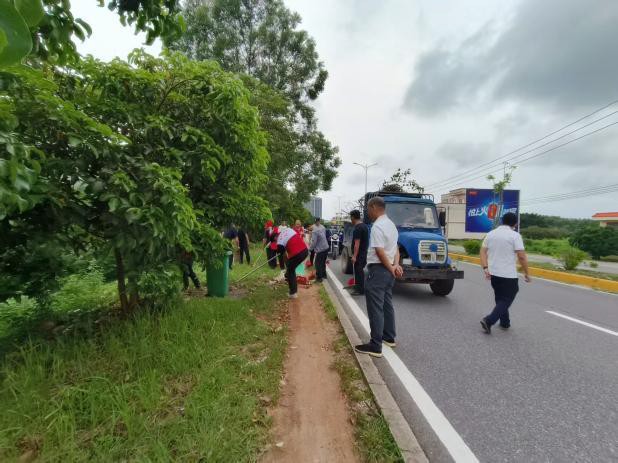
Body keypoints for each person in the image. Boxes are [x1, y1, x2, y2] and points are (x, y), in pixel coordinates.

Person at [355, 197, 403, 358]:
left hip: (379, 270)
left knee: (375, 308)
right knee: (387, 304)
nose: (367, 212)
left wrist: (390, 267)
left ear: (374, 207)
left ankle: (375, 345)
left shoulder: (377, 226)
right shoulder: (391, 225)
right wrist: (395, 266)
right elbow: (396, 248)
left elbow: (380, 251)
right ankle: (389, 337)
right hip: (389, 271)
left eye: (368, 209)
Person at [479, 212, 531, 334]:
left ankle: (505, 323)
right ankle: (489, 320)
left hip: (493, 273)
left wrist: (485, 268)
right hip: (508, 275)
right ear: (515, 223)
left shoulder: (491, 234)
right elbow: (521, 257)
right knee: (507, 298)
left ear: (502, 221)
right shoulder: (515, 236)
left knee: (500, 298)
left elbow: (482, 252)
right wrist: (527, 273)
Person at [276, 226, 309, 298]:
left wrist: (287, 266)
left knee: (291, 271)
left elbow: (283, 255)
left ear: (276, 235)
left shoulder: (279, 241)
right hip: (305, 251)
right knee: (290, 269)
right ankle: (287, 277)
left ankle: (293, 293)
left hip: (297, 254)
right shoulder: (289, 230)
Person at [349, 210, 369, 296]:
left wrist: (354, 256)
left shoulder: (358, 228)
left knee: (358, 272)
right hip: (364, 253)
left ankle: (360, 290)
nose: (351, 219)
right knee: (360, 271)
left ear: (353, 217)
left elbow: (357, 244)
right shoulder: (364, 226)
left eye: (351, 217)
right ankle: (359, 288)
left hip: (359, 254)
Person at [309, 217, 329, 282]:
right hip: (326, 247)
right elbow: (324, 236)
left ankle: (319, 278)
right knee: (323, 263)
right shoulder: (323, 227)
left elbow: (314, 242)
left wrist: (310, 249)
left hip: (321, 249)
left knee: (317, 264)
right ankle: (324, 275)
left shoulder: (314, 231)